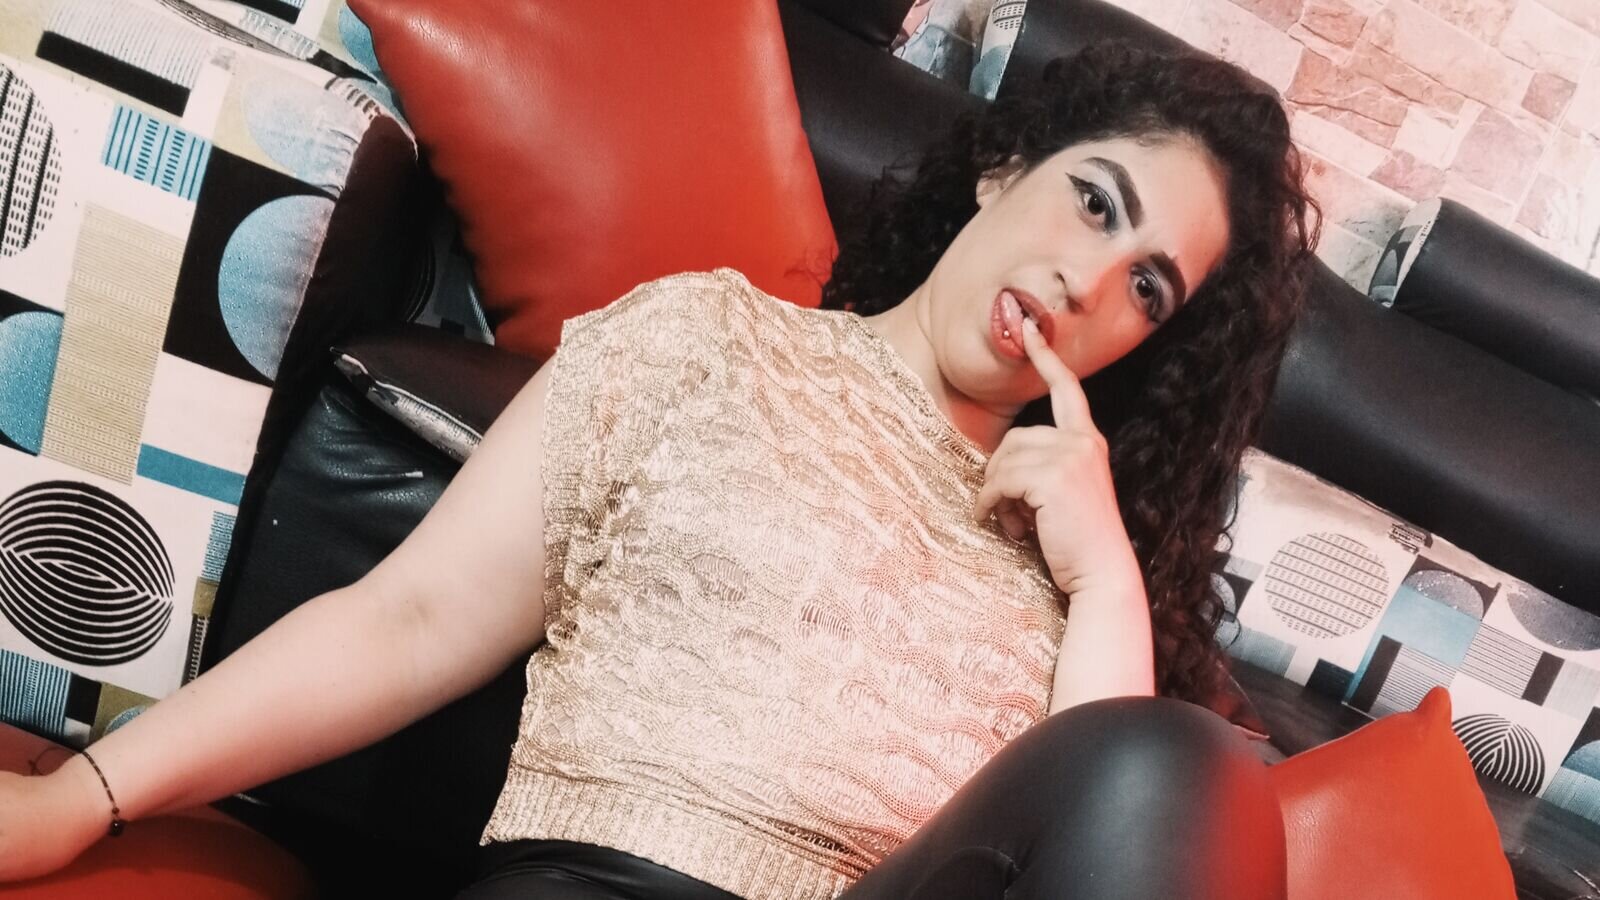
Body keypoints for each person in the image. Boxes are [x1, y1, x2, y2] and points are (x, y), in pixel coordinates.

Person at [0, 42, 1317, 898]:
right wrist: (88, 798)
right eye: (1095, 200)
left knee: (1187, 769)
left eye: (1147, 287)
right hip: (601, 886)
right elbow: (404, 618)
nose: (1089, 281)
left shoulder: (1075, 574)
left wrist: (1102, 578)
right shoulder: (705, 340)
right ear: (1000, 171)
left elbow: (1100, 817)